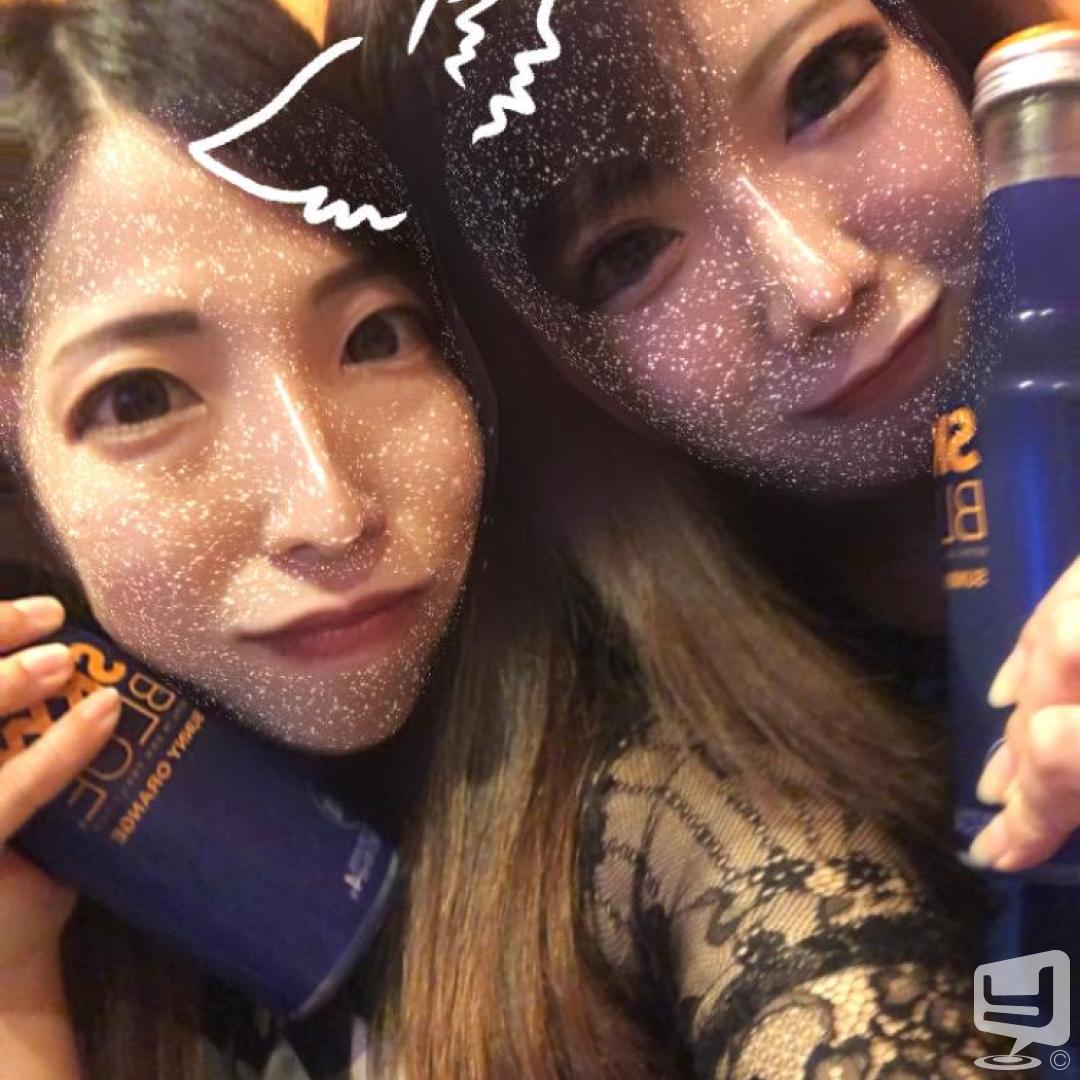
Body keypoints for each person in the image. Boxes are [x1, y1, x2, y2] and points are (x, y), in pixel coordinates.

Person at [0, 1, 1021, 1076]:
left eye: (377, 336)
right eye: (140, 398)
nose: (328, 513)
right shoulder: (63, 912)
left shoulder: (681, 812)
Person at [339, 0, 1080, 886]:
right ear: (543, 366)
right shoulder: (642, 800)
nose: (818, 285)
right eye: (629, 253)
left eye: (825, 85)